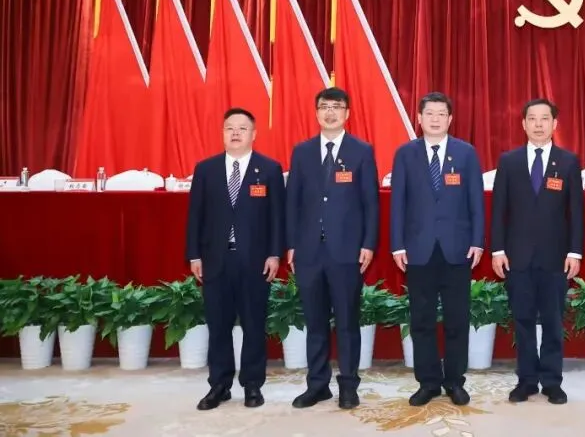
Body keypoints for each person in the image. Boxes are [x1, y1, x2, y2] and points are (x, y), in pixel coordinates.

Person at [286, 87, 379, 410]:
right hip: (309, 251)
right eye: (324, 106)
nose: (330, 112)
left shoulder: (361, 151)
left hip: (347, 252)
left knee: (347, 321)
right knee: (315, 322)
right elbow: (292, 202)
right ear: (316, 113)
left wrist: (368, 243)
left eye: (336, 107)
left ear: (347, 113)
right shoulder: (302, 152)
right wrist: (291, 244)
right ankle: (317, 385)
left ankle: (349, 385)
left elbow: (371, 203)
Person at [185, 107, 284, 411]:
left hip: (255, 261)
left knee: (254, 324)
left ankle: (252, 385)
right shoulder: (206, 169)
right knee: (218, 325)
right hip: (215, 260)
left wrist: (275, 253)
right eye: (230, 128)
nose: (236, 133)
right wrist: (194, 254)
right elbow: (195, 216)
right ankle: (219, 385)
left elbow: (277, 217)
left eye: (242, 128)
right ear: (223, 133)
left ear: (254, 134)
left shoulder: (269, 169)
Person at [390, 92, 484, 407]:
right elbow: (398, 203)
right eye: (429, 113)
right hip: (418, 250)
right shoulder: (405, 154)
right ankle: (428, 382)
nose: (435, 119)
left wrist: (478, 240)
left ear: (450, 119)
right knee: (422, 321)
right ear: (419, 118)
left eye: (441, 113)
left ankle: (455, 381)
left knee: (457, 319)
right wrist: (397, 244)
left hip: (458, 249)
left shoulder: (466, 153)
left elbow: (476, 200)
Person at [490, 98, 584, 405]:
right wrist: (497, 249)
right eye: (533, 118)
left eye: (545, 119)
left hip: (555, 257)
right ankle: (527, 380)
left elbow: (576, 212)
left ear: (555, 124)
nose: (539, 124)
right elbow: (499, 209)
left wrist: (575, 252)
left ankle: (552, 381)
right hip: (517, 256)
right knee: (523, 321)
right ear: (523, 124)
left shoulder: (568, 161)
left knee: (554, 322)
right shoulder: (509, 161)